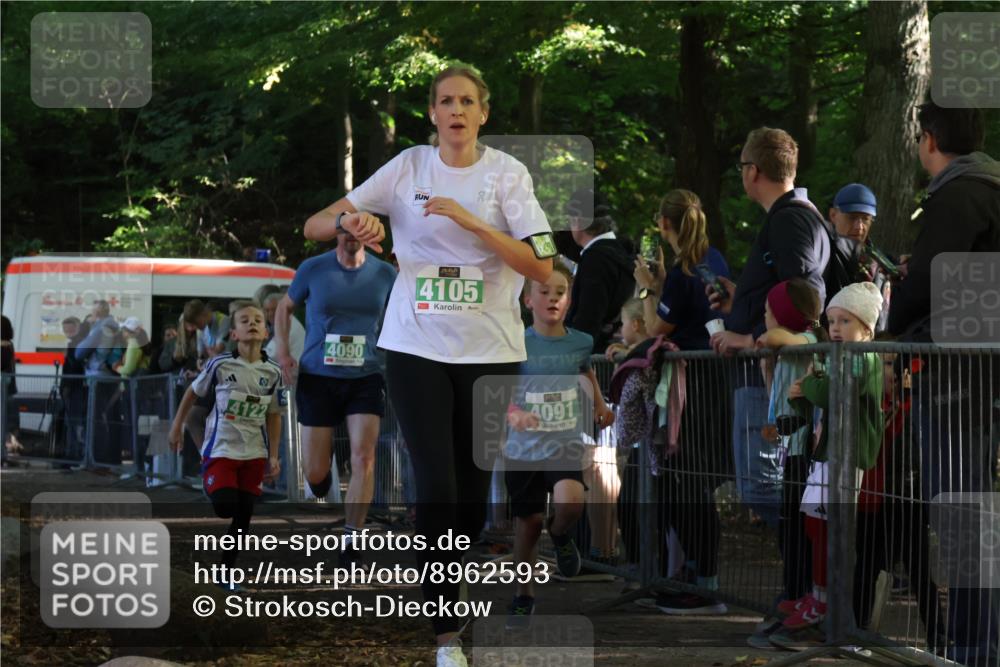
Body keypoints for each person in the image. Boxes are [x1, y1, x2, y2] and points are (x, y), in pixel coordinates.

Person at [303, 63, 554, 667]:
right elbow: (314, 223)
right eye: (446, 101)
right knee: (435, 485)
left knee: (470, 496)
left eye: (468, 100)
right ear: (434, 113)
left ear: (483, 113)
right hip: (415, 345)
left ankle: (453, 592)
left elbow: (544, 263)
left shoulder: (507, 175)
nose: (457, 111)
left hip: (491, 350)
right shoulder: (409, 166)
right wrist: (351, 221)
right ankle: (445, 632)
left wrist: (474, 222)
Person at [889, 102, 999, 665]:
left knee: (961, 506)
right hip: (977, 367)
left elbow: (932, 282)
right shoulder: (989, 189)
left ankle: (974, 644)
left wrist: (892, 330)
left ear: (929, 139)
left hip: (959, 373)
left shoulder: (959, 194)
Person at [708, 128, 830, 529]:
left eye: (743, 167)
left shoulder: (790, 219)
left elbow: (803, 293)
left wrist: (747, 337)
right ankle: (804, 581)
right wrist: (740, 301)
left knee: (764, 488)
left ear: (753, 171)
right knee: (764, 487)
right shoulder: (791, 217)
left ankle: (818, 566)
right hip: (764, 373)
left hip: (772, 376)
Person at [273, 226, 396, 567]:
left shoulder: (386, 273)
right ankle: (321, 481)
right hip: (318, 376)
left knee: (363, 458)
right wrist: (283, 351)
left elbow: (403, 317)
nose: (350, 236)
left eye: (358, 230)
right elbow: (284, 308)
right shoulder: (313, 268)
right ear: (335, 234)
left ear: (368, 236)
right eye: (344, 230)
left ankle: (352, 540)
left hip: (366, 376)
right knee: (315, 472)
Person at [503, 264, 613, 628]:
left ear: (569, 299)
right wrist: (514, 413)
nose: (553, 298)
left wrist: (598, 403)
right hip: (522, 449)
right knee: (529, 524)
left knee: (571, 501)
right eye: (545, 291)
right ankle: (523, 595)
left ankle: (562, 533)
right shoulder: (514, 340)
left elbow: (585, 369)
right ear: (527, 299)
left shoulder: (580, 341)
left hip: (564, 439)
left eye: (561, 291)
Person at [778, 282, 884, 636]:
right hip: (826, 454)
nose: (836, 328)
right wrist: (801, 394)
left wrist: (808, 386)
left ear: (867, 330)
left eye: (846, 321)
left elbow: (836, 393)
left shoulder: (863, 358)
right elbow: (818, 396)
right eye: (832, 321)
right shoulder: (838, 357)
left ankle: (828, 603)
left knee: (832, 529)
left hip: (846, 456)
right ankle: (817, 594)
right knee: (814, 524)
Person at [168, 301, 283, 590]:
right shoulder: (220, 364)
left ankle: (225, 574)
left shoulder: (273, 372)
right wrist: (177, 427)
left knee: (243, 516)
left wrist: (274, 455)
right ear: (233, 334)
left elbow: (273, 415)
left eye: (258, 319)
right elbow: (191, 395)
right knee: (224, 506)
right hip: (222, 448)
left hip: (254, 451)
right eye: (245, 320)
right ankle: (209, 480)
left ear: (267, 332)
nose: (253, 323)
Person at [747, 279, 824, 647]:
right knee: (791, 528)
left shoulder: (808, 341)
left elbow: (780, 339)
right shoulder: (786, 352)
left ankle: (802, 601)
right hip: (789, 449)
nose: (764, 318)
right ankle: (792, 597)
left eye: (768, 310)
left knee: (798, 531)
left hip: (806, 453)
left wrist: (769, 336)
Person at [634, 189, 731, 349]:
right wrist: (662, 284)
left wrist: (646, 288)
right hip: (721, 362)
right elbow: (685, 310)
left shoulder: (681, 273)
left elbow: (655, 331)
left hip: (694, 369)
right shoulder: (714, 257)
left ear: (664, 222)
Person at [564, 188, 636, 353]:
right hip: (611, 352)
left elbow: (589, 316)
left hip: (596, 359)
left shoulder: (595, 259)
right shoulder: (621, 253)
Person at [74, 300, 124, 465]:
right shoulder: (115, 326)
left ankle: (97, 459)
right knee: (110, 418)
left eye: (93, 312)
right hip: (112, 377)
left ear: (98, 313)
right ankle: (111, 458)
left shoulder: (100, 328)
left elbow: (79, 353)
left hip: (99, 377)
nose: (92, 315)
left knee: (96, 419)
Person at [262, 290, 305, 362]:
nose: (270, 314)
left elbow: (271, 355)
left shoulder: (288, 325)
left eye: (274, 310)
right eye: (267, 310)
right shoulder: (287, 321)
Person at [604, 298, 648, 364]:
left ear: (635, 325)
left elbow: (641, 355)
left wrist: (625, 354)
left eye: (623, 323)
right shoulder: (654, 347)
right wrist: (624, 349)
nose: (621, 328)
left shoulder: (649, 351)